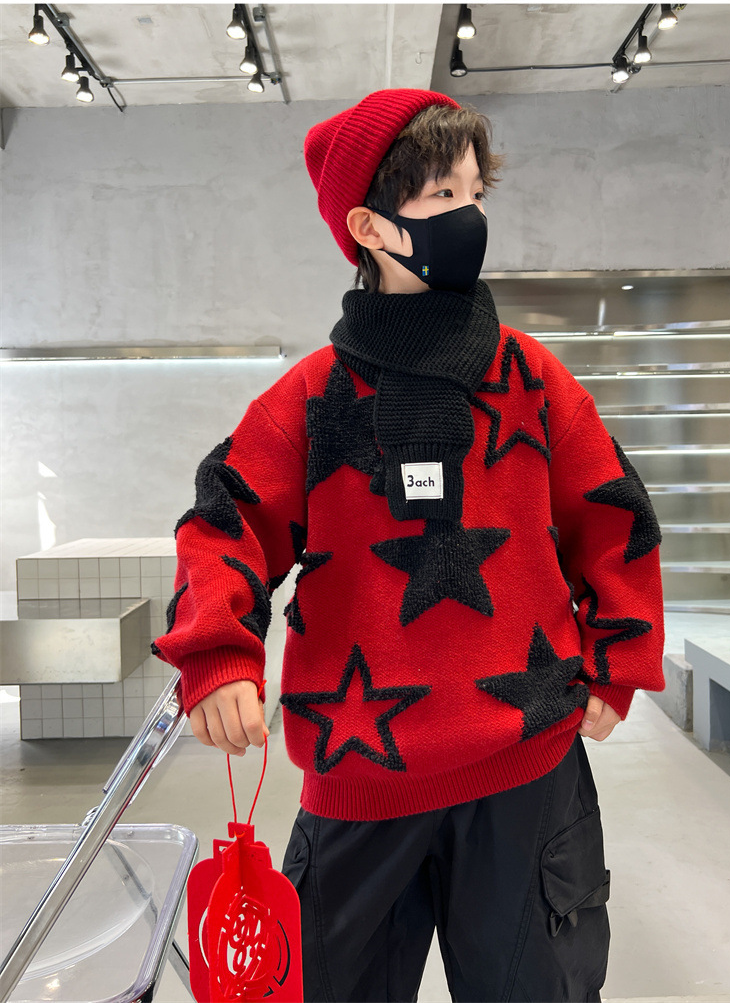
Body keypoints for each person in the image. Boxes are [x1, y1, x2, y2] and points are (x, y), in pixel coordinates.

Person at [153, 88, 666, 1002]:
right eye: (441, 196)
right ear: (370, 226)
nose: (469, 215)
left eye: (475, 191)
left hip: (528, 771)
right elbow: (223, 519)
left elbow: (613, 509)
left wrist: (619, 656)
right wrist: (219, 653)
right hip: (361, 783)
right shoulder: (311, 399)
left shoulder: (532, 377)